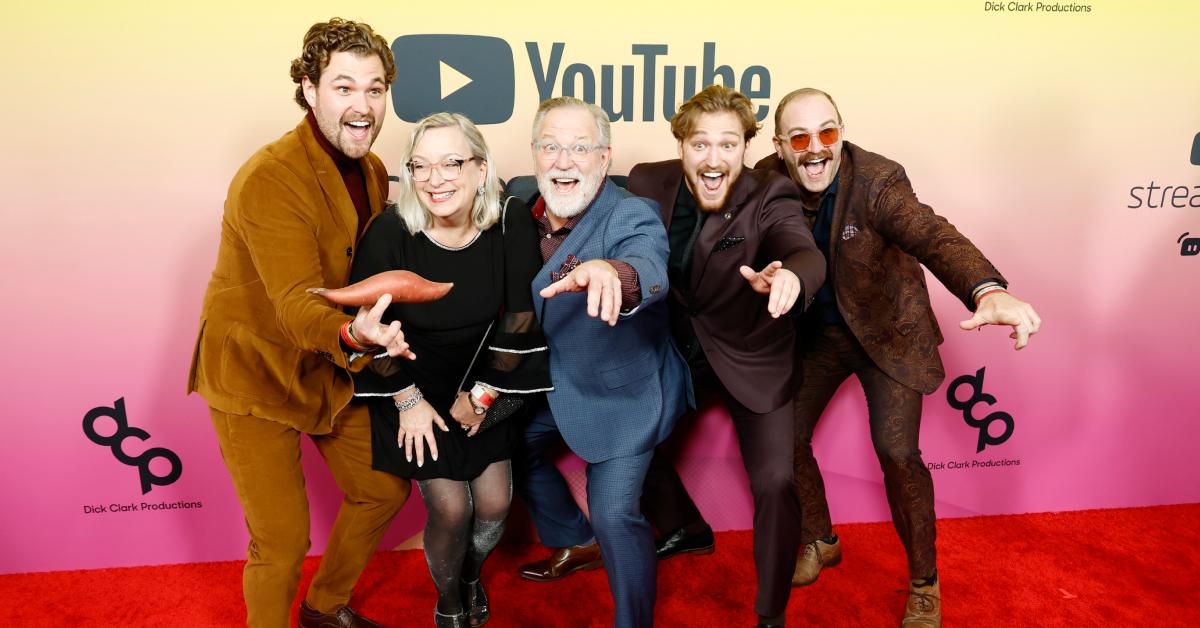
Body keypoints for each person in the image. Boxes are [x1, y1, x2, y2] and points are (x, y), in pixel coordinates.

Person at [756, 87, 1042, 628]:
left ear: (841, 132)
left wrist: (986, 289)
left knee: (896, 451)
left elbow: (933, 234)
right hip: (818, 337)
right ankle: (819, 538)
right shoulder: (764, 182)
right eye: (799, 137)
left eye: (827, 133)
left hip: (887, 334)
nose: (815, 148)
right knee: (783, 437)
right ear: (780, 145)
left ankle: (924, 581)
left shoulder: (878, 180)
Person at [187, 19, 411, 628]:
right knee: (282, 542)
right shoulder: (271, 177)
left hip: (324, 365)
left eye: (375, 88)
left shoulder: (370, 168)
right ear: (309, 90)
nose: (362, 106)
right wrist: (355, 335)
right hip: (255, 374)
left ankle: (324, 605)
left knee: (385, 488)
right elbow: (294, 302)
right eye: (344, 88)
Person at [627, 84, 827, 628]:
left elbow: (802, 249)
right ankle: (686, 528)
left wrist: (791, 277)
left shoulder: (772, 194)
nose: (714, 159)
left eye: (728, 145)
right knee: (625, 451)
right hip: (673, 354)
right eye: (700, 145)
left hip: (752, 355)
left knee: (775, 482)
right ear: (681, 145)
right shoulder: (647, 181)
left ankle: (771, 614)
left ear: (745, 148)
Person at [348, 112, 550, 628]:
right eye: (421, 166)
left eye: (451, 163)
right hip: (409, 381)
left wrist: (484, 396)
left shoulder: (510, 221)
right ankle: (451, 604)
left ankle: (469, 574)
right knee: (452, 510)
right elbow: (369, 330)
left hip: (487, 375)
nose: (435, 179)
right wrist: (409, 402)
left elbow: (521, 315)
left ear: (481, 170)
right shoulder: (390, 232)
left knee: (495, 504)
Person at [513, 97, 692, 628]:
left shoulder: (631, 212)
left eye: (579, 148)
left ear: (604, 157)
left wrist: (616, 273)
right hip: (552, 384)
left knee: (615, 514)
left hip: (624, 393)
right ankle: (574, 538)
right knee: (504, 449)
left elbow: (645, 261)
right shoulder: (516, 205)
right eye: (551, 147)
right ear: (534, 153)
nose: (563, 161)